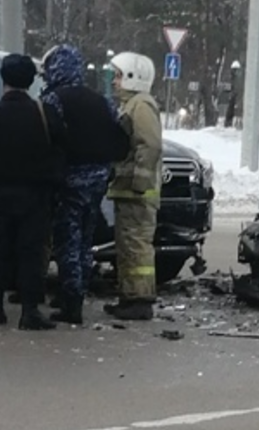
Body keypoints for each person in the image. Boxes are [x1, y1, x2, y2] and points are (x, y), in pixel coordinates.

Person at [0, 54, 65, 331]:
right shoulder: (45, 114)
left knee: (0, 250)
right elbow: (61, 150)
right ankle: (29, 311)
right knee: (31, 252)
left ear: (3, 79)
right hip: (36, 195)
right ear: (31, 81)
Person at [39, 44, 129, 325]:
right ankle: (77, 291)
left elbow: (48, 137)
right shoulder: (102, 101)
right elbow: (118, 135)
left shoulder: (54, 99)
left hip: (69, 179)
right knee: (85, 240)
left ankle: (71, 301)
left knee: (67, 240)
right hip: (98, 178)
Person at [103, 52, 163, 321]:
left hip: (137, 193)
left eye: (118, 76)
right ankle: (129, 296)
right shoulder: (131, 105)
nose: (114, 82)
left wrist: (139, 181)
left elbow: (150, 145)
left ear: (133, 77)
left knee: (136, 246)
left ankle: (140, 300)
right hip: (128, 190)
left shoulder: (141, 106)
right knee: (127, 246)